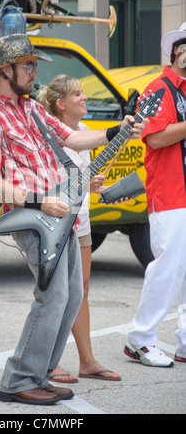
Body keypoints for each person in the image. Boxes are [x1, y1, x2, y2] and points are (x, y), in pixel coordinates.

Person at [0, 33, 147, 405]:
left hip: (59, 213)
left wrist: (120, 129)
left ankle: (40, 373)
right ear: (5, 70)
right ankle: (17, 380)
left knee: (72, 294)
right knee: (54, 296)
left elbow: (74, 139)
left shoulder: (30, 109)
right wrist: (40, 200)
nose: (34, 73)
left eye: (34, 66)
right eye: (27, 66)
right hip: (33, 217)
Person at [37, 74, 122, 383]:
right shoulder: (48, 133)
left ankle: (87, 361)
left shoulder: (85, 131)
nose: (85, 98)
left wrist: (96, 184)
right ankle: (49, 361)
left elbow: (81, 182)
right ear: (60, 104)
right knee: (57, 293)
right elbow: (48, 182)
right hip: (57, 221)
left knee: (81, 290)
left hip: (81, 219)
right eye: (78, 95)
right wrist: (81, 184)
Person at [124, 22, 186, 367]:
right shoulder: (158, 88)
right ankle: (140, 339)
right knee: (167, 268)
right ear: (179, 51)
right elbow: (156, 137)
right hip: (170, 193)